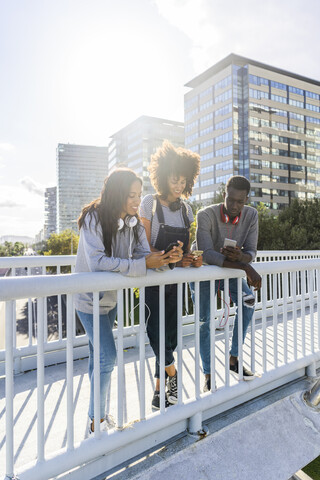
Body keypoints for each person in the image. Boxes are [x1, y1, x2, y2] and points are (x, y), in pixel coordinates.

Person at [74, 168, 179, 435]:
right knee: (107, 358)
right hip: (88, 301)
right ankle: (96, 422)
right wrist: (142, 263)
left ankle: (96, 416)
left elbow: (145, 256)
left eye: (139, 194)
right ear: (117, 194)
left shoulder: (132, 223)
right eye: (131, 195)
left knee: (98, 360)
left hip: (109, 300)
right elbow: (98, 262)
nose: (136, 201)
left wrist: (167, 259)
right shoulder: (93, 218)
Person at [140, 140, 201, 409]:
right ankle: (173, 375)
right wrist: (165, 256)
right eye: (174, 180)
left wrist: (188, 259)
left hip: (176, 280)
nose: (178, 186)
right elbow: (143, 247)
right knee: (155, 333)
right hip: (153, 279)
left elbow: (185, 251)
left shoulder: (187, 209)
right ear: (163, 176)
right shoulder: (149, 204)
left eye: (183, 181)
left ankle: (158, 390)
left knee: (171, 338)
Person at [191, 175, 262, 392]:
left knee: (248, 300)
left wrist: (242, 258)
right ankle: (208, 374)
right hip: (203, 272)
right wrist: (245, 267)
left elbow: (251, 251)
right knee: (204, 321)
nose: (234, 206)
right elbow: (206, 254)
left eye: (240, 201)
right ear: (225, 194)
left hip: (231, 268)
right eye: (230, 200)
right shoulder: (205, 215)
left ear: (246, 199)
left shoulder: (251, 215)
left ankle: (234, 359)